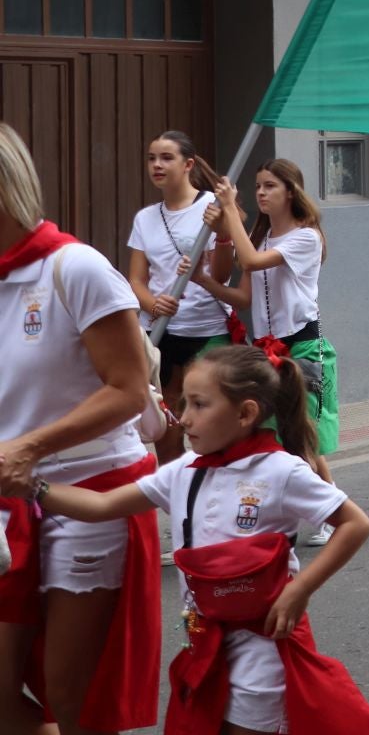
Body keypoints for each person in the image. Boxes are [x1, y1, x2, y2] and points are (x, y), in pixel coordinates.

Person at [27, 344, 369, 733]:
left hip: (263, 644)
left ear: (245, 413)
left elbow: (355, 524)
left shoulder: (282, 471)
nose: (184, 418)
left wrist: (299, 590)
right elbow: (103, 506)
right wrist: (33, 487)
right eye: (184, 403)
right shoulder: (183, 470)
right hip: (203, 640)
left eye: (199, 405)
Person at [0, 122, 158, 734]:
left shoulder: (76, 267)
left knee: (74, 699)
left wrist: (30, 446)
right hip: (8, 499)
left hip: (89, 492)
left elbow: (127, 390)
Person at [197, 160, 348, 545]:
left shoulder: (306, 237)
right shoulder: (261, 237)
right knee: (276, 436)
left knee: (304, 439)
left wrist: (229, 211)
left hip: (302, 347)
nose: (262, 193)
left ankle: (332, 513)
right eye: (258, 186)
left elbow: (249, 261)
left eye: (270, 186)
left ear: (290, 192)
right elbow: (244, 296)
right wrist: (203, 280)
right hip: (267, 350)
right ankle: (309, 512)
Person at [127, 130, 229, 465]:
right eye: (151, 158)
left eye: (166, 158)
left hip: (206, 331)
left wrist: (223, 233)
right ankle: (177, 494)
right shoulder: (145, 218)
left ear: (188, 164)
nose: (157, 165)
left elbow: (222, 275)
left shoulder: (212, 207)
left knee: (210, 432)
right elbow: (136, 280)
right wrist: (153, 304)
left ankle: (209, 491)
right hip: (160, 334)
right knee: (166, 435)